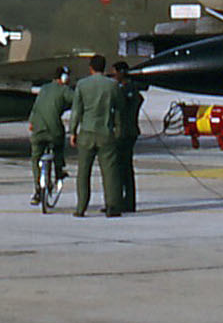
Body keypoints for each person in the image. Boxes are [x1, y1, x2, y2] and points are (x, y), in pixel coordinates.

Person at [69, 54, 123, 217]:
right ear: (104, 67)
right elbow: (119, 109)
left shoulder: (82, 84)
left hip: (86, 132)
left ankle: (81, 207)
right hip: (106, 133)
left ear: (90, 67)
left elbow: (76, 111)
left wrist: (73, 131)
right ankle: (112, 206)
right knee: (110, 172)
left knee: (83, 172)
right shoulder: (112, 85)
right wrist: (118, 130)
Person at [28, 67, 73, 205]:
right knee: (58, 147)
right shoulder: (65, 90)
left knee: (36, 157)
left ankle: (37, 189)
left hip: (36, 129)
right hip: (53, 131)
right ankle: (59, 171)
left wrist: (32, 123)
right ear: (64, 78)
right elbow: (77, 101)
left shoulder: (44, 88)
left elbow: (35, 108)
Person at [111, 62, 144, 213]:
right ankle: (128, 202)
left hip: (123, 133)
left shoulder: (125, 91)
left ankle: (119, 201)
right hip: (130, 131)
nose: (113, 76)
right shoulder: (131, 90)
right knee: (126, 168)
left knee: (119, 168)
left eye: (115, 72)